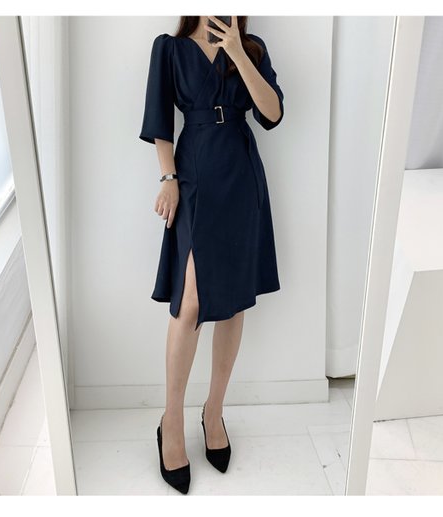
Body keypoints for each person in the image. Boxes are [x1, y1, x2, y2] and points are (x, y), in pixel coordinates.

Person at [139, 15, 284, 494]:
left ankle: (214, 411)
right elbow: (160, 121)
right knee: (192, 302)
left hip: (240, 173)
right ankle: (172, 420)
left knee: (234, 300)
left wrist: (238, 52)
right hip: (194, 171)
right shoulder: (169, 49)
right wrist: (168, 178)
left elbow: (273, 114)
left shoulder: (252, 46)